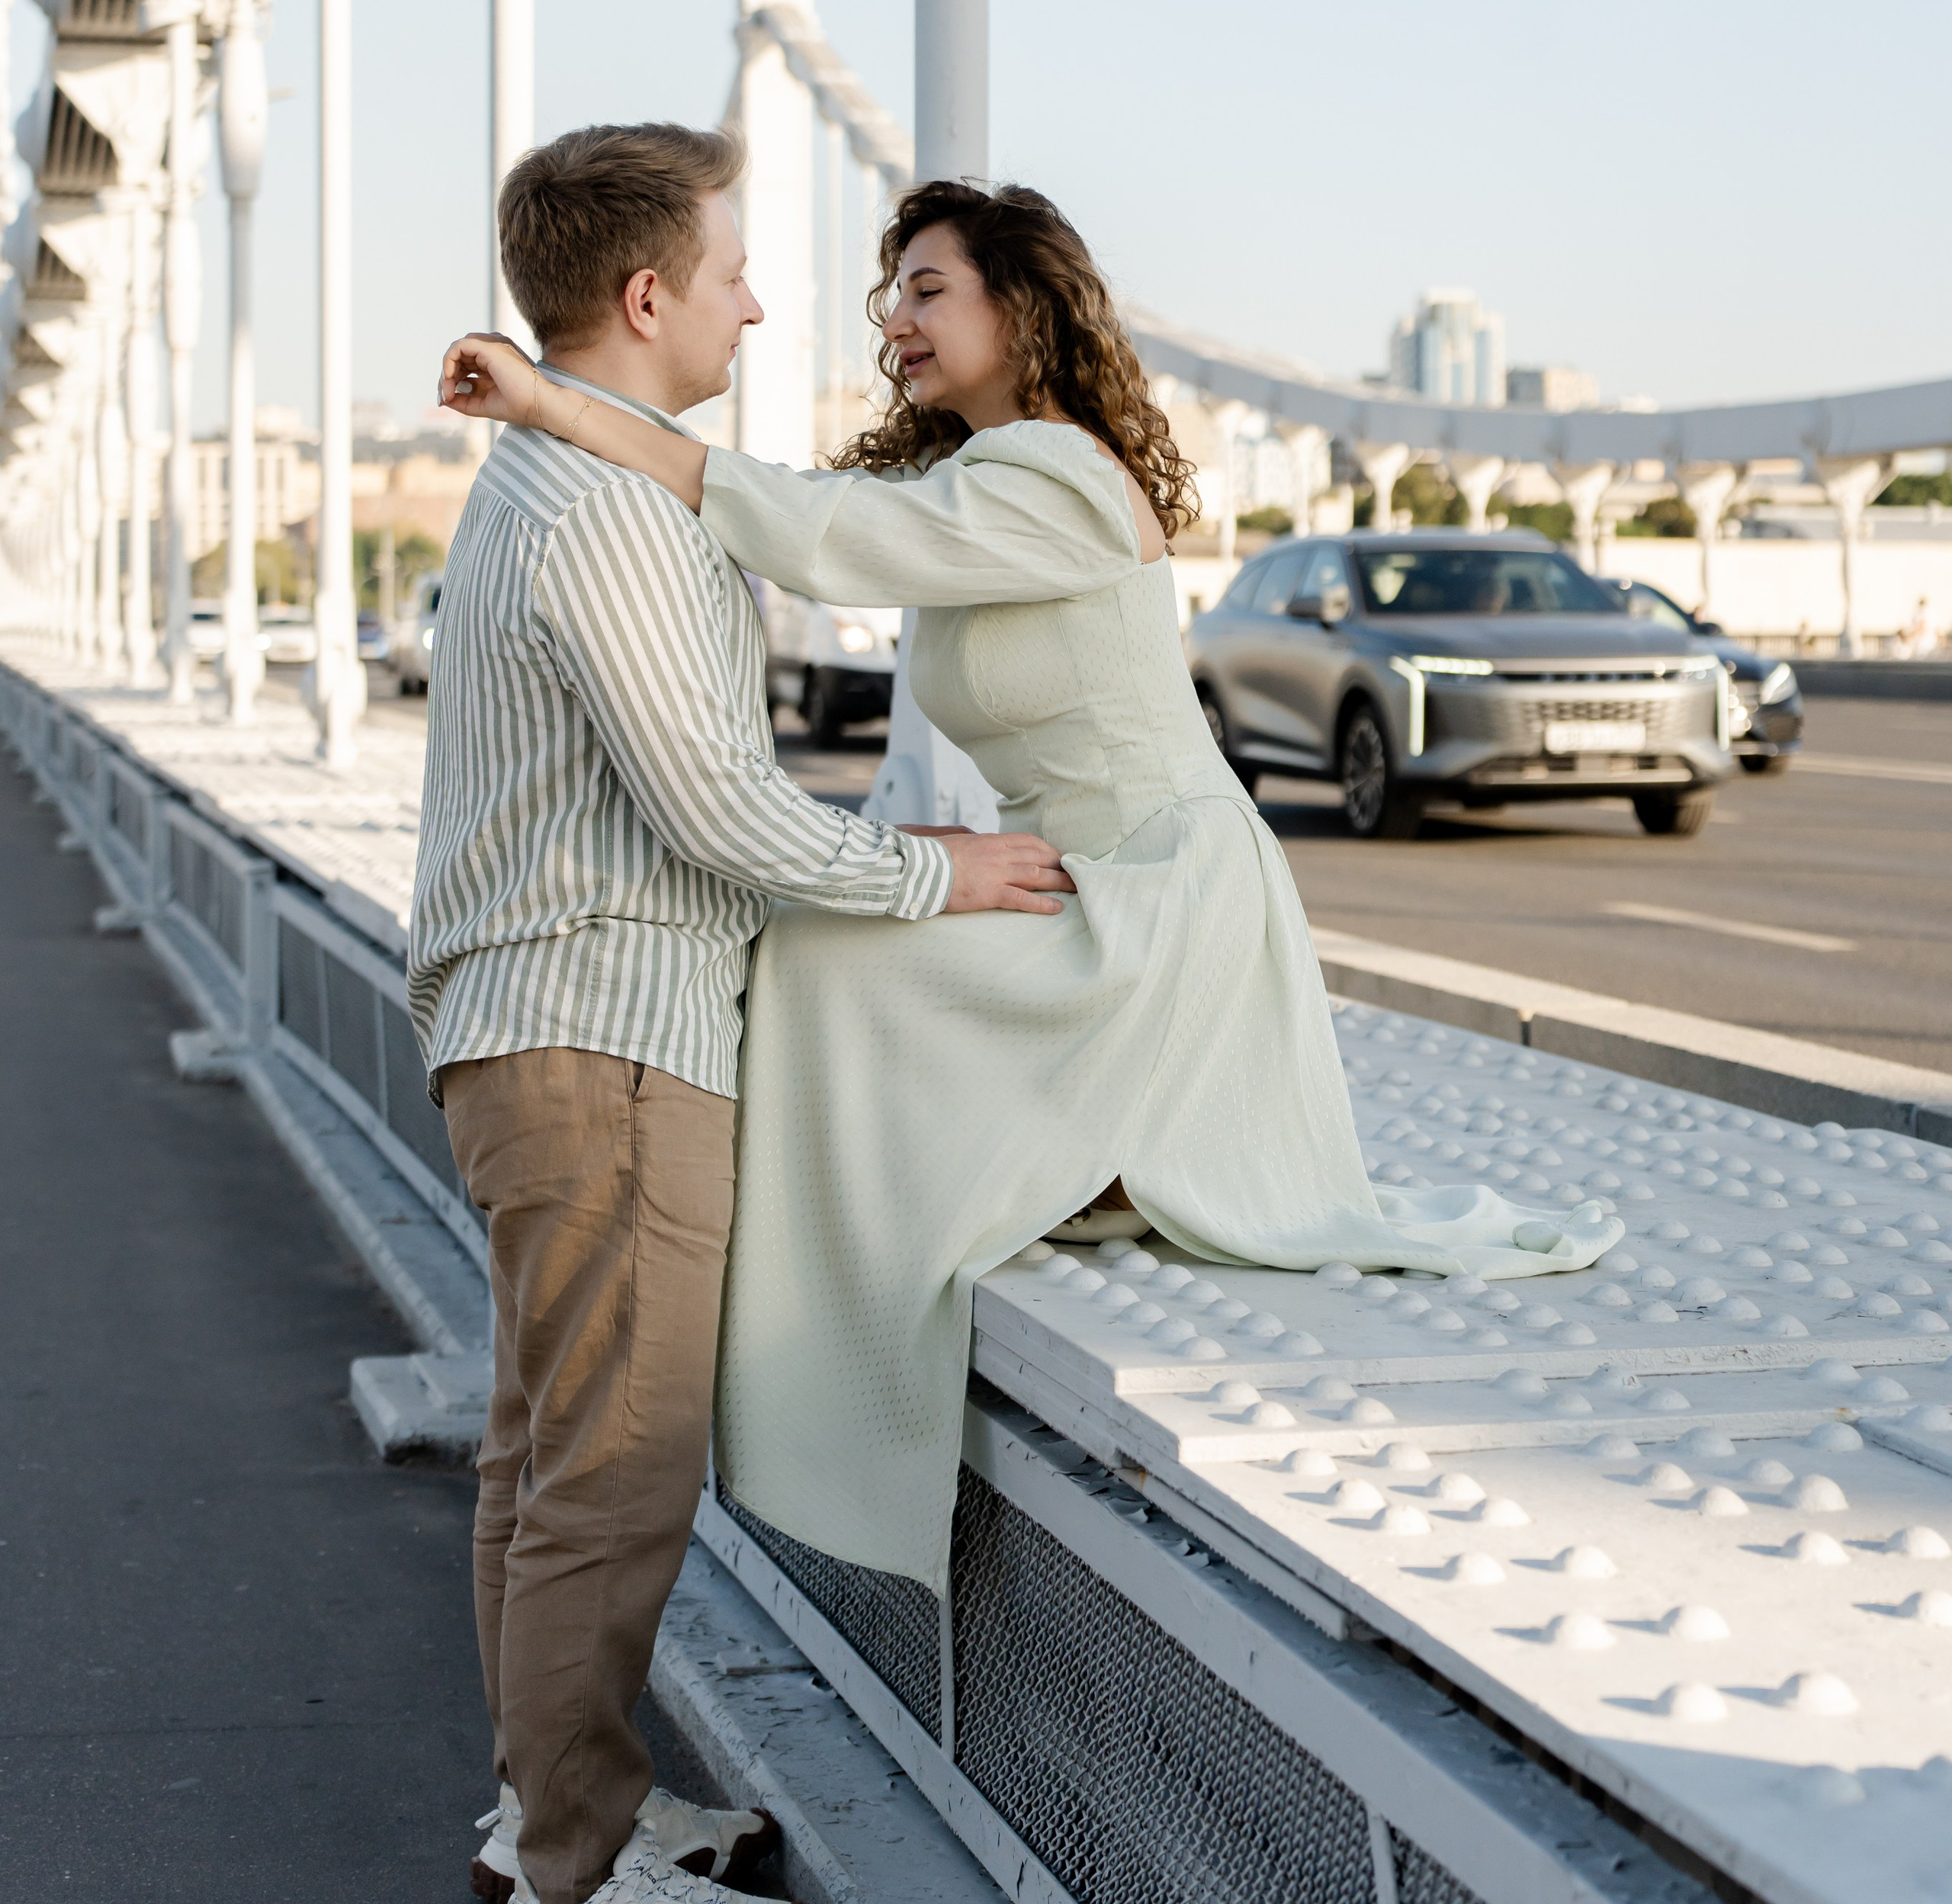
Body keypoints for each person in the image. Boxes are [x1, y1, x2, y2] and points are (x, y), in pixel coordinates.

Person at [439, 178, 1620, 1603]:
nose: (896, 319)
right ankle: (892, 1273)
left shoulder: (1057, 475)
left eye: (929, 289)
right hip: (1079, 882)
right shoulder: (977, 482)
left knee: (824, 952)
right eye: (893, 293)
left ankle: (882, 1293)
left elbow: (808, 530)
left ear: (1023, 304)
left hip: (1166, 897)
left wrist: (554, 407)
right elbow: (827, 525)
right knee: (825, 939)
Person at [409, 126, 1072, 1904]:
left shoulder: (550, 475)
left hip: (539, 1028)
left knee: (546, 1455)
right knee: (614, 1475)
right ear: (646, 298)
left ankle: (550, 1808)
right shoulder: (604, 512)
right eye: (728, 273)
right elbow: (715, 810)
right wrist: (935, 875)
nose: (760, 306)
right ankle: (575, 1892)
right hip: (606, 1041)